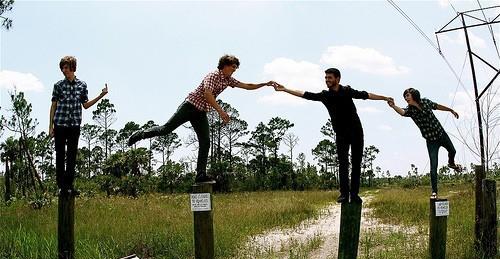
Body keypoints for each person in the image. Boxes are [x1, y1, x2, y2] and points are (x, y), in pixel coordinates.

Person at [127, 54, 275, 183]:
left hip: (200, 112)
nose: (234, 70)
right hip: (189, 106)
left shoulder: (228, 80)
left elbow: (247, 85)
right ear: (225, 65)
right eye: (233, 67)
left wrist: (265, 84)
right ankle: (141, 134)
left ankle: (200, 174)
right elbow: (207, 94)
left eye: (236, 68)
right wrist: (221, 111)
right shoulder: (212, 76)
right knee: (166, 129)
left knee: (205, 142)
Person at [273, 68, 392, 203]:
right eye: (326, 78)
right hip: (341, 134)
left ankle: (354, 195)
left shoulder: (347, 91)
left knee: (356, 164)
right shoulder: (325, 95)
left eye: (330, 78)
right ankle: (343, 194)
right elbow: (305, 94)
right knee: (343, 164)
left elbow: (367, 95)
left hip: (356, 132)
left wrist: (384, 98)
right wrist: (285, 89)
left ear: (338, 78)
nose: (327, 80)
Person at [49, 56, 108, 195]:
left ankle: (69, 186)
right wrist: (50, 126)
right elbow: (53, 106)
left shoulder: (82, 85)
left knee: (71, 156)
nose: (64, 71)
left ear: (73, 68)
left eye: (66, 68)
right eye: (62, 68)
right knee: (60, 155)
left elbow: (86, 105)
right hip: (60, 124)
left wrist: (101, 95)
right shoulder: (58, 85)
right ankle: (61, 186)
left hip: (74, 125)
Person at [387, 88, 461, 199]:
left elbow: (437, 106)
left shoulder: (425, 102)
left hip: (441, 134)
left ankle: (451, 163)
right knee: (433, 166)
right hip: (431, 141)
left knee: (453, 151)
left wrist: (450, 110)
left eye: (407, 95)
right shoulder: (410, 110)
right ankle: (434, 192)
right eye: (405, 97)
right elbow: (402, 112)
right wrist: (393, 106)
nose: (406, 98)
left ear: (414, 95)